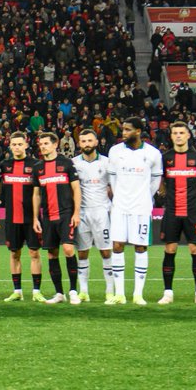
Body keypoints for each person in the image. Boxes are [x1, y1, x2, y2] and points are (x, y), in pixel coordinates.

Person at [106, 117, 163, 306]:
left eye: (128, 129)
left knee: (140, 247)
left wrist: (143, 197)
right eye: (123, 129)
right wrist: (119, 197)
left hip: (141, 207)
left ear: (138, 131)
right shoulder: (115, 152)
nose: (124, 133)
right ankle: (120, 294)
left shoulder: (153, 154)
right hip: (120, 207)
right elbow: (112, 180)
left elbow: (155, 183)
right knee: (117, 246)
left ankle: (138, 294)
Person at [157, 120, 196, 306]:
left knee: (195, 249)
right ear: (171, 136)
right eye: (175, 133)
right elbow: (161, 181)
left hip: (192, 211)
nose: (178, 135)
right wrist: (164, 192)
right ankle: (168, 292)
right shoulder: (165, 158)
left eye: (182, 132)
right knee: (170, 249)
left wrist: (193, 193)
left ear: (188, 135)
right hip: (171, 211)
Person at [33, 130, 81, 304]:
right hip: (47, 216)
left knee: (68, 249)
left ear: (55, 144)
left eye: (46, 143)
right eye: (41, 144)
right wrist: (35, 218)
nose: (43, 146)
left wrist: (76, 213)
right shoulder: (38, 168)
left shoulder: (66, 163)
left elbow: (76, 189)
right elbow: (36, 194)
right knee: (52, 254)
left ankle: (74, 291)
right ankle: (59, 293)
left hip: (65, 213)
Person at [71, 127, 113, 303]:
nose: (87, 144)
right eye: (83, 141)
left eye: (90, 141)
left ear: (96, 142)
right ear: (79, 144)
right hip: (82, 213)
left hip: (102, 212)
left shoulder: (107, 163)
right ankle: (84, 291)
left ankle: (110, 291)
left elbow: (113, 187)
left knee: (106, 252)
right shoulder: (73, 163)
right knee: (82, 253)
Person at [0, 131, 42, 301]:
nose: (17, 147)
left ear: (26, 145)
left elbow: (39, 192)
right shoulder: (4, 165)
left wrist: (37, 217)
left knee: (34, 254)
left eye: (20, 144)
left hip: (31, 219)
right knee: (14, 254)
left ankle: (36, 291)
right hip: (11, 218)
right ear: (10, 146)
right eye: (14, 144)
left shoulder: (36, 165)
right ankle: (17, 291)